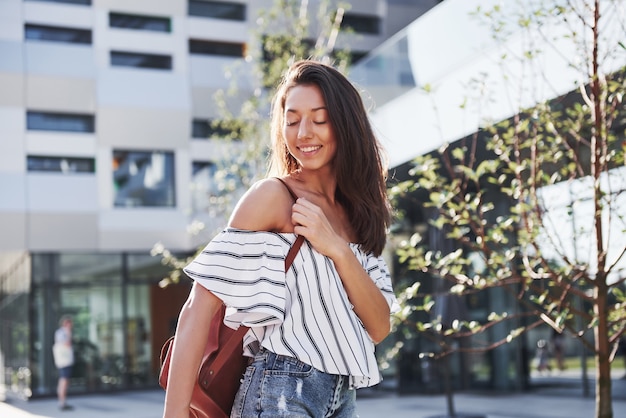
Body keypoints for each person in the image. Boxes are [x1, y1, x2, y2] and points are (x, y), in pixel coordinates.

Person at [162, 59, 397, 418]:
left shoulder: (359, 214)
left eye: (319, 119)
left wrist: (336, 248)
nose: (303, 133)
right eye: (292, 120)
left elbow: (379, 326)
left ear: (346, 124)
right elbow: (198, 307)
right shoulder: (273, 198)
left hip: (342, 397)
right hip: (281, 389)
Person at [53, 315, 74, 411]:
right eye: (69, 323)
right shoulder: (62, 333)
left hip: (66, 361)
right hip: (64, 362)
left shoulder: (63, 332)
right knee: (63, 381)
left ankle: (63, 402)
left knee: (65, 381)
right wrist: (68, 333)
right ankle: (62, 402)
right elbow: (67, 344)